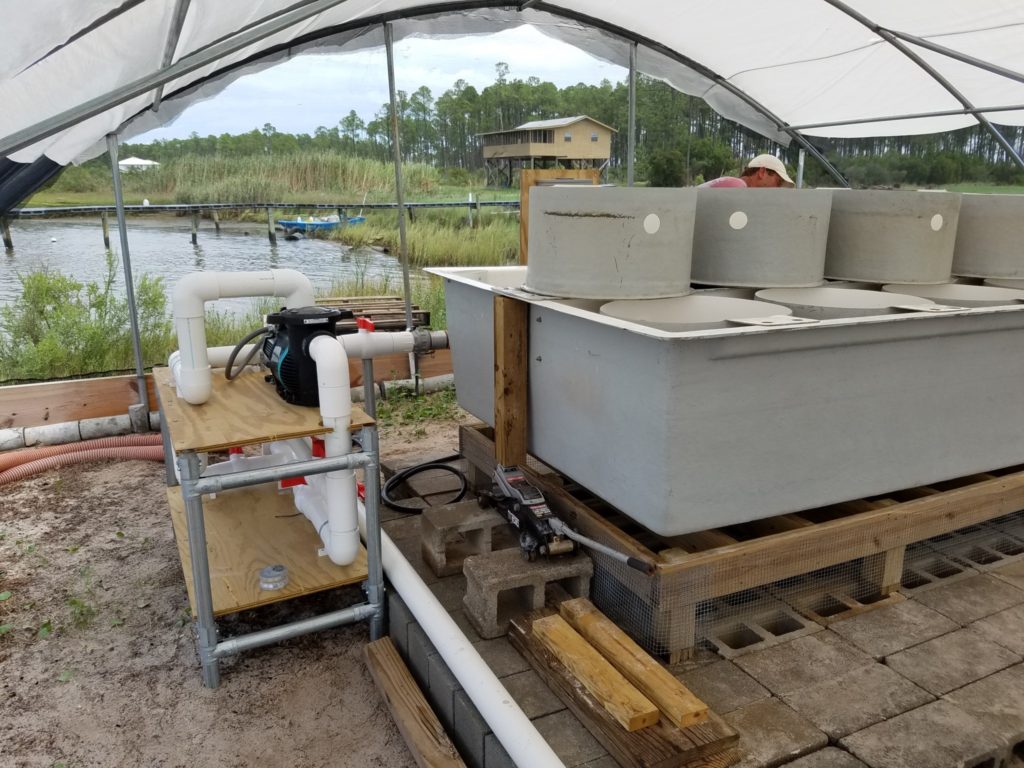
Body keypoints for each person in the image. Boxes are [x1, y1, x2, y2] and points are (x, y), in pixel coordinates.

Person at [699, 154, 795, 188]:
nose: (777, 188)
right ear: (762, 172)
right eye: (778, 182)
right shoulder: (738, 185)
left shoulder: (739, 188)